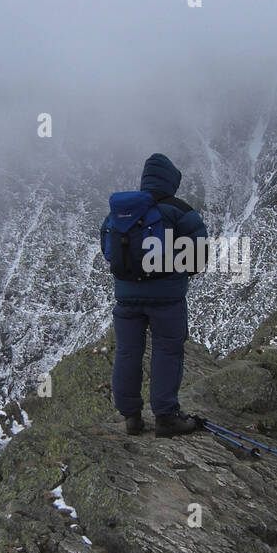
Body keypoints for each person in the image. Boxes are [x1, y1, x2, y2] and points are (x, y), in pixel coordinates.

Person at [102, 152, 208, 436]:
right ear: (171, 181)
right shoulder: (181, 211)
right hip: (167, 299)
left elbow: (108, 250)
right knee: (167, 351)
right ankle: (166, 417)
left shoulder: (121, 212)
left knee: (127, 352)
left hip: (126, 299)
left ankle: (131, 417)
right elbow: (198, 257)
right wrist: (178, 273)